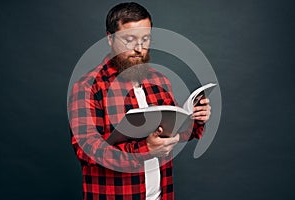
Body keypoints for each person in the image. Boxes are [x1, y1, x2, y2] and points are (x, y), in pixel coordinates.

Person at [68, 2, 211, 200]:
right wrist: (145, 149)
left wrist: (195, 118)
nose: (139, 48)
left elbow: (175, 133)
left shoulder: (159, 80)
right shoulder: (88, 87)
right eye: (129, 40)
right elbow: (88, 151)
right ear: (110, 38)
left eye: (145, 39)